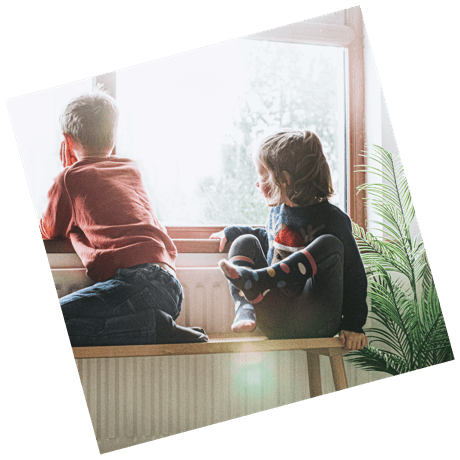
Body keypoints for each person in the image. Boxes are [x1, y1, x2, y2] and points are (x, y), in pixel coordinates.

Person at [40, 90, 208, 346]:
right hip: (170, 285)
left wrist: (67, 172)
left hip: (138, 283)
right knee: (76, 328)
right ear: (113, 136)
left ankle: (153, 328)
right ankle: (153, 325)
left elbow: (48, 230)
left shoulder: (69, 178)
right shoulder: (132, 168)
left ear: (66, 139)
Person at [210, 130, 368, 351]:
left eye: (262, 175)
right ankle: (246, 306)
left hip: (316, 320)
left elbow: (354, 276)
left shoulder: (333, 219)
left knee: (330, 245)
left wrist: (354, 325)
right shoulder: (277, 214)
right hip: (274, 319)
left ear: (285, 180)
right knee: (244, 240)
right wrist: (233, 232)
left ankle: (259, 281)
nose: (257, 183)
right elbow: (269, 239)